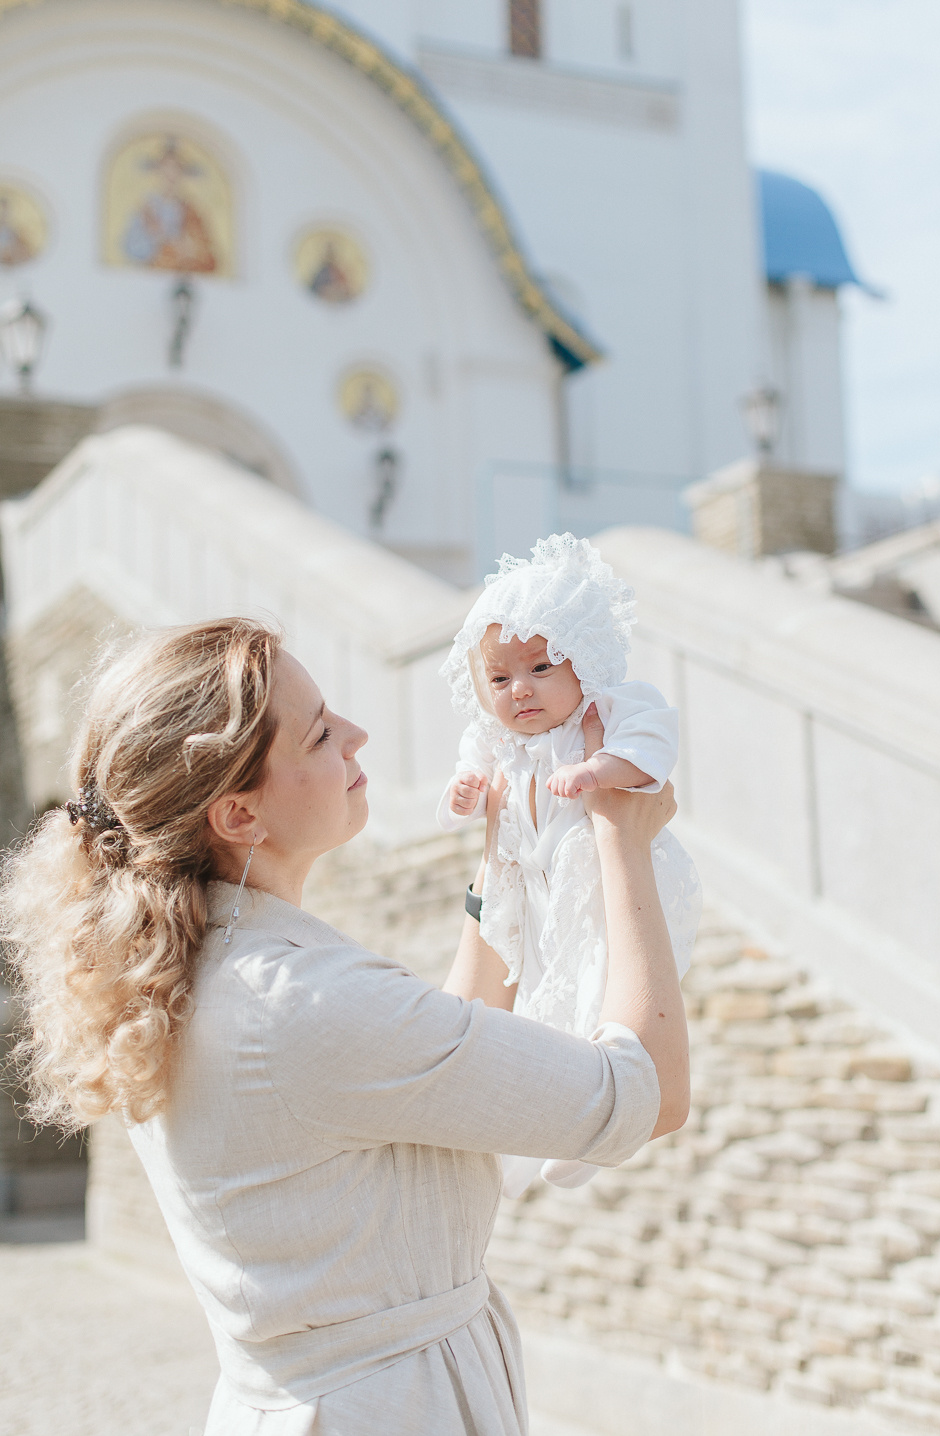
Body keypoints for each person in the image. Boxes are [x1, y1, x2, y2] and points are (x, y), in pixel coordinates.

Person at [1, 617, 689, 1436]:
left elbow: (435, 1059)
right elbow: (644, 1094)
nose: (358, 736)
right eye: (322, 732)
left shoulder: (192, 972)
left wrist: (501, 857)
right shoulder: (298, 1001)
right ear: (239, 815)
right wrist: (622, 837)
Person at [438, 534, 701, 1197]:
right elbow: (470, 782)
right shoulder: (498, 741)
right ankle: (575, 1118)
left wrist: (598, 768)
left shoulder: (605, 711)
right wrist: (465, 792)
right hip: (540, 896)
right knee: (540, 998)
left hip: (606, 885)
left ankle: (604, 1122)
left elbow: (654, 745)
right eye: (499, 679)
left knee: (602, 983)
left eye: (540, 669)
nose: (519, 691)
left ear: (583, 662)